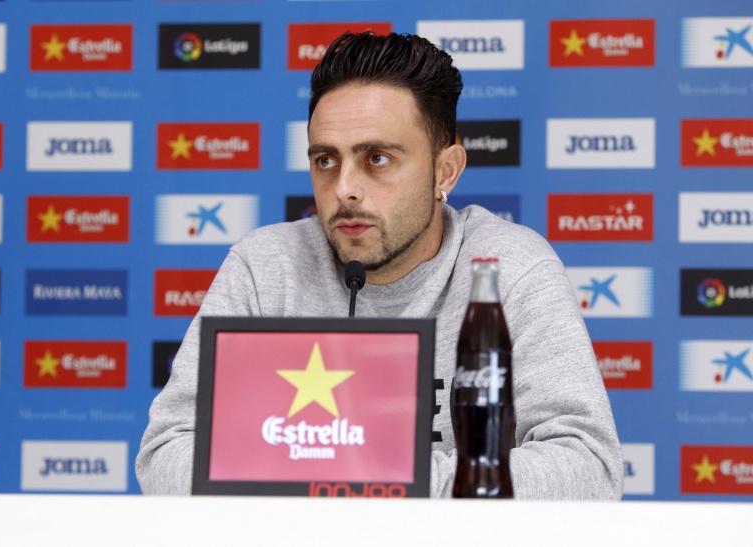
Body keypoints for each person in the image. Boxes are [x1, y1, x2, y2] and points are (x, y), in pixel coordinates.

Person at [136, 31, 624, 499]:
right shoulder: (265, 267)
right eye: (326, 160)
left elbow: (589, 469)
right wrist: (346, 483)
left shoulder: (508, 270)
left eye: (377, 159)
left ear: (445, 171)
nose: (345, 189)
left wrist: (376, 481)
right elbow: (166, 454)